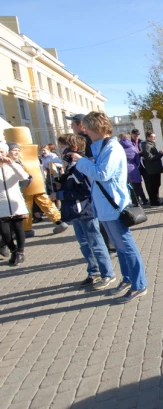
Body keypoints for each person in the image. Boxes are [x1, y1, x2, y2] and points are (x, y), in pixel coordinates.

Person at [70, 111, 148, 304]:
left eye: (87, 127)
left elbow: (102, 173)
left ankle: (140, 284)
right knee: (120, 247)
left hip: (113, 205)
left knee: (126, 246)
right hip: (106, 206)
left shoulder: (112, 147)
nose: (85, 131)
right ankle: (128, 279)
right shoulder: (102, 147)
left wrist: (81, 162)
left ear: (96, 128)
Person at [53, 134, 116, 289]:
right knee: (84, 243)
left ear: (73, 148)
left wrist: (60, 194)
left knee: (95, 242)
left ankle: (107, 274)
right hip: (76, 211)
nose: (61, 150)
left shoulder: (82, 166)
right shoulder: (71, 166)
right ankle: (93, 272)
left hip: (85, 210)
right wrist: (61, 183)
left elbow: (86, 191)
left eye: (63, 147)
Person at [7, 142, 69, 235]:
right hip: (35, 185)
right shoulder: (30, 157)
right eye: (14, 150)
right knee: (43, 203)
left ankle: (27, 229)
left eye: (18, 150)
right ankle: (59, 222)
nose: (16, 152)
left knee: (29, 206)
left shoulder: (15, 162)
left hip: (27, 187)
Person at [0, 142, 30, 266]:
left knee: (19, 229)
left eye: (1, 152)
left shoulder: (13, 165)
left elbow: (24, 177)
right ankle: (13, 250)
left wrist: (11, 163)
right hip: (1, 204)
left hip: (15, 203)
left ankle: (20, 253)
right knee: (5, 232)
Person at [118, 134, 149, 206]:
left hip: (123, 170)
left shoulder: (118, 147)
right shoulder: (133, 147)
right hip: (133, 168)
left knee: (128, 187)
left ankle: (133, 202)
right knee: (138, 186)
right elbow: (137, 160)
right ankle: (143, 200)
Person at [140, 131, 163, 206]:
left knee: (156, 185)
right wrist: (159, 154)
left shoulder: (149, 144)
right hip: (152, 170)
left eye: (155, 136)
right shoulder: (147, 145)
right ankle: (155, 201)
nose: (154, 138)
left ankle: (156, 200)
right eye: (152, 136)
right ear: (148, 137)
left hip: (154, 169)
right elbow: (149, 157)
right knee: (154, 185)